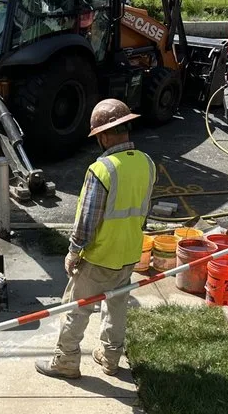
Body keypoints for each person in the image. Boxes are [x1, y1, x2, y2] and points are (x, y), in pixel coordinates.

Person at [35, 99, 155, 379]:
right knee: (116, 306)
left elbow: (88, 220)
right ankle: (111, 357)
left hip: (100, 256)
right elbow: (144, 210)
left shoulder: (102, 169)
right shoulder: (147, 163)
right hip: (129, 254)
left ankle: (65, 361)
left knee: (75, 308)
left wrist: (74, 251)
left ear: (102, 136)